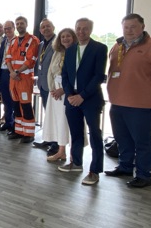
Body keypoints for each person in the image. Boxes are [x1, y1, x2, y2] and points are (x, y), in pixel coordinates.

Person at [105, 13, 151, 188]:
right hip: (117, 102)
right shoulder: (117, 46)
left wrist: (147, 88)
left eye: (133, 27)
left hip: (141, 105)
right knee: (122, 139)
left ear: (142, 27)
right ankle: (125, 166)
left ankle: (144, 175)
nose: (129, 30)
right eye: (126, 27)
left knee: (142, 142)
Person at [58, 18, 107, 186]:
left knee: (94, 134)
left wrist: (82, 96)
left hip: (90, 99)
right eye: (78, 28)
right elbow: (65, 75)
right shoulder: (70, 50)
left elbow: (99, 76)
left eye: (85, 29)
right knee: (76, 133)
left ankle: (94, 170)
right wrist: (70, 94)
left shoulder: (100, 48)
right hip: (71, 98)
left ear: (91, 30)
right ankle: (76, 162)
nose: (81, 31)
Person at [42, 28, 78, 161]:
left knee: (69, 121)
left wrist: (63, 90)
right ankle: (61, 151)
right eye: (63, 37)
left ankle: (74, 154)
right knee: (58, 120)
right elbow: (50, 71)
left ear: (73, 37)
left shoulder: (77, 52)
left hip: (69, 92)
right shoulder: (57, 52)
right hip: (55, 91)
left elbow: (76, 74)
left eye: (68, 36)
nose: (65, 39)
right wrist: (52, 88)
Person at [6, 16, 39, 143]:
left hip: (24, 78)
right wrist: (12, 73)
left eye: (21, 23)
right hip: (13, 79)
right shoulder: (13, 41)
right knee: (16, 105)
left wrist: (17, 72)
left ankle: (29, 133)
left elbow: (31, 60)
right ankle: (19, 130)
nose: (19, 25)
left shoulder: (33, 40)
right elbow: (8, 58)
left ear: (26, 24)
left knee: (25, 105)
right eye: (17, 23)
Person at [33, 19, 59, 155]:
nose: (45, 29)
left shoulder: (58, 43)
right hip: (43, 84)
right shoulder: (41, 44)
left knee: (54, 115)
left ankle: (55, 144)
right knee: (47, 113)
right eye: (43, 27)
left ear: (53, 27)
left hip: (53, 85)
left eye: (48, 26)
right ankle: (48, 139)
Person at [0, 20, 16, 132]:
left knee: (14, 99)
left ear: (14, 29)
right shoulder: (3, 42)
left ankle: (15, 125)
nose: (7, 30)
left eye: (9, 28)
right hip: (3, 72)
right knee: (6, 100)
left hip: (13, 73)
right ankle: (8, 122)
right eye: (5, 29)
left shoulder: (18, 41)